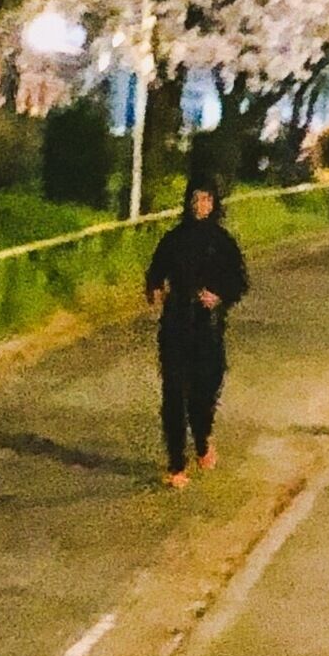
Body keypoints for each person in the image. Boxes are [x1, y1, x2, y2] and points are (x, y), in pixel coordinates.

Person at [143, 173, 250, 486]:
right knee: (174, 393)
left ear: (214, 204)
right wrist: (154, 288)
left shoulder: (222, 242)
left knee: (204, 393)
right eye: (195, 199)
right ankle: (176, 464)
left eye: (205, 200)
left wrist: (219, 296)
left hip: (208, 328)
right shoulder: (174, 239)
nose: (199, 205)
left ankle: (202, 439)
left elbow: (239, 282)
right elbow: (155, 271)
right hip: (176, 324)